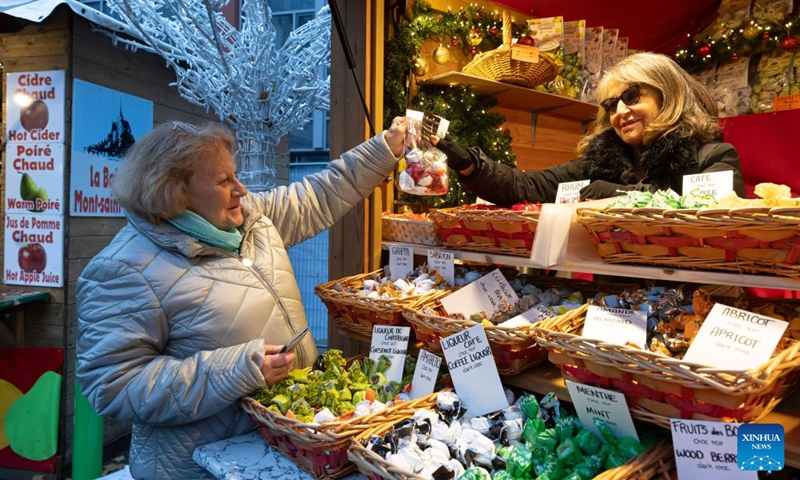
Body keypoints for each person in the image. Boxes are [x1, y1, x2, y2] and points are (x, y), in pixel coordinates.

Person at [75, 117, 407, 480]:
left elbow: (319, 194)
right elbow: (113, 385)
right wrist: (235, 369)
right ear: (173, 190)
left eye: (234, 175)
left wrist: (384, 149)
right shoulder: (122, 269)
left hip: (283, 444)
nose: (241, 190)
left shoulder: (250, 222)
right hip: (202, 466)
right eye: (223, 180)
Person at [433, 52, 746, 206]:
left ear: (669, 95)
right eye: (611, 105)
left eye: (632, 96)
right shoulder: (601, 162)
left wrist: (619, 195)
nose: (620, 112)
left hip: (697, 298)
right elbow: (528, 187)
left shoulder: (714, 156)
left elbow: (705, 215)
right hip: (615, 302)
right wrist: (468, 164)